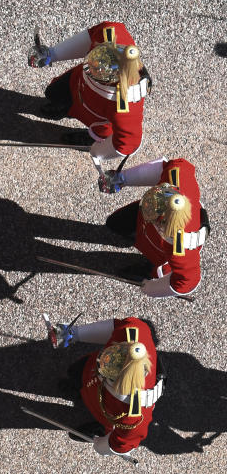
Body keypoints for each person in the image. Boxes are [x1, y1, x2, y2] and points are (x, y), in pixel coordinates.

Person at [30, 22, 150, 163]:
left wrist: (98, 152)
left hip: (98, 117)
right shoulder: (110, 35)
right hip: (77, 83)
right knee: (53, 92)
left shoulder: (126, 107)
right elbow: (93, 34)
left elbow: (128, 143)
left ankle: (89, 138)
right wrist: (53, 53)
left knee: (98, 133)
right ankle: (65, 110)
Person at [48, 316, 163, 458]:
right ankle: (77, 388)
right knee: (76, 372)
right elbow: (117, 327)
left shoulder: (133, 417)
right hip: (90, 372)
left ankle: (100, 428)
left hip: (105, 410)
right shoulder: (133, 330)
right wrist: (74, 333)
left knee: (105, 422)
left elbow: (123, 443)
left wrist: (102, 443)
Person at [101, 157, 207, 297]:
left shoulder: (180, 248)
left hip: (163, 249)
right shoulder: (175, 177)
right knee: (115, 223)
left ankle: (149, 270)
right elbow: (171, 165)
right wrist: (122, 178)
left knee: (158, 265)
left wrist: (151, 288)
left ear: (161, 222)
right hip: (152, 228)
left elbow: (188, 280)